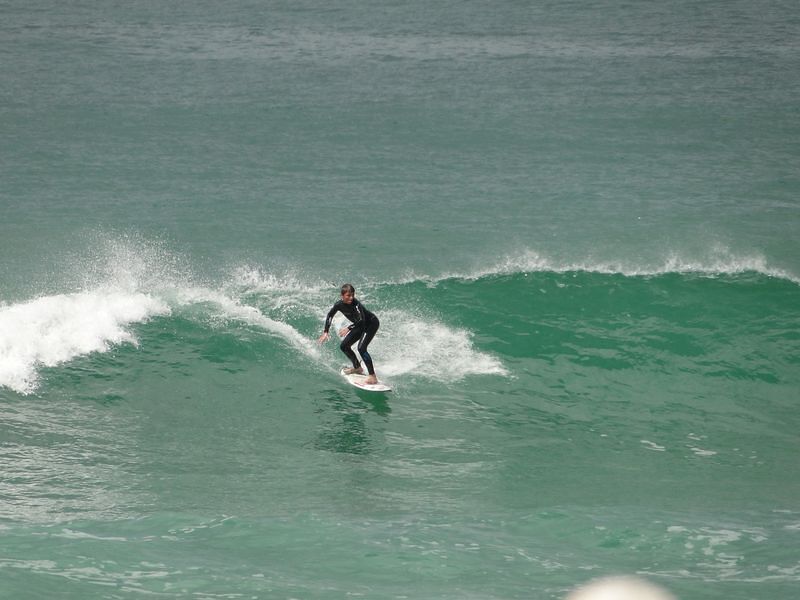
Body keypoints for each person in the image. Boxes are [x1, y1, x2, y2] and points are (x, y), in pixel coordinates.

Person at [318, 283, 380, 384]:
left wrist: (349, 328)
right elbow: (330, 315)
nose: (351, 298)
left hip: (370, 324)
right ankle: (357, 368)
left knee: (361, 348)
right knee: (344, 346)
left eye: (352, 295)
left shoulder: (356, 305)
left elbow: (362, 320)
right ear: (342, 296)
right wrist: (326, 331)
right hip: (359, 325)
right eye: (348, 295)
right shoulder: (339, 304)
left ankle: (372, 376)